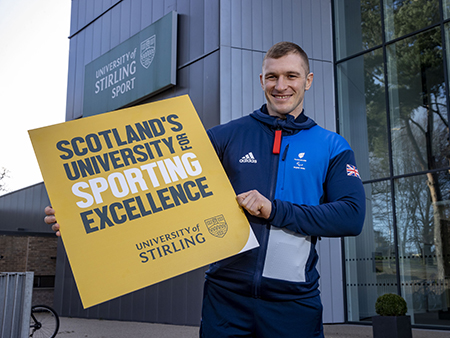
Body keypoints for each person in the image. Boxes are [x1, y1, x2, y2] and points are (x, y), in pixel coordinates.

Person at [45, 41, 365, 338]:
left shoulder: (331, 145)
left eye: (291, 76)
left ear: (308, 80)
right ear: (261, 79)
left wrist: (274, 210)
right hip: (225, 300)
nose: (281, 86)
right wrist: (78, 212)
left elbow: (351, 216)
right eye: (272, 76)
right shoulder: (227, 135)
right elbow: (152, 184)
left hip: (294, 303)